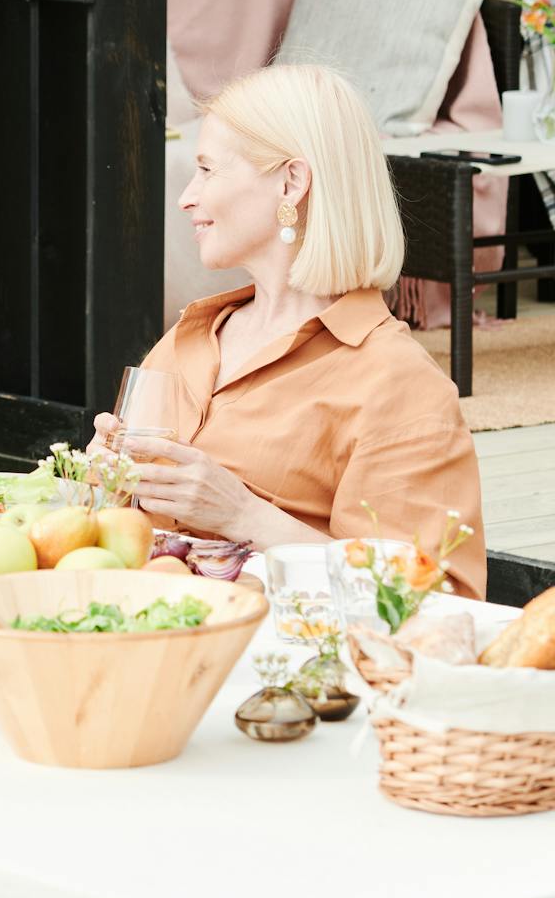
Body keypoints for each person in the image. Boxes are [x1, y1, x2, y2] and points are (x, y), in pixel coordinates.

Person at [92, 64, 486, 596]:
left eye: (208, 170)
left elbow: (434, 602)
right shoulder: (193, 335)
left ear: (290, 182)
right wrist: (99, 482)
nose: (187, 196)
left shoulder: (397, 385)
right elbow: (113, 527)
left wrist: (244, 516)